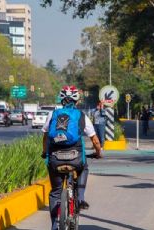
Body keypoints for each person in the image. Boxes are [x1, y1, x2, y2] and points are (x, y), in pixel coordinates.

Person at [41, 85, 102, 230]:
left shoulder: (53, 114)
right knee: (84, 168)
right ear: (77, 101)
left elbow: (45, 137)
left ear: (61, 99)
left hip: (55, 158)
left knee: (56, 191)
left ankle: (55, 225)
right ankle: (80, 197)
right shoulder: (81, 116)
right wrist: (98, 152)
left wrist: (45, 152)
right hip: (76, 158)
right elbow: (95, 140)